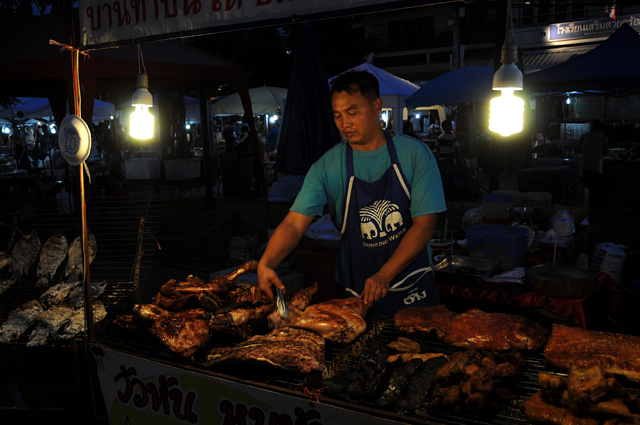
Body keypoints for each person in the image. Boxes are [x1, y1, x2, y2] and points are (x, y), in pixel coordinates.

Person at [257, 70, 446, 318]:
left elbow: (424, 225)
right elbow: (294, 222)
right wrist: (267, 262)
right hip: (358, 289)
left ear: (377, 106)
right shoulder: (327, 166)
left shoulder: (415, 155)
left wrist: (385, 274)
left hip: (414, 285)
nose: (344, 123)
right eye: (337, 115)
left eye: (352, 113)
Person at [575, 119, 609, 207]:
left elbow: (576, 149)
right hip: (597, 167)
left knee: (586, 188)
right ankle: (595, 206)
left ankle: (585, 205)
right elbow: (606, 151)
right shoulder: (603, 137)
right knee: (595, 189)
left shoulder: (584, 136)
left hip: (585, 166)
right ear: (600, 128)